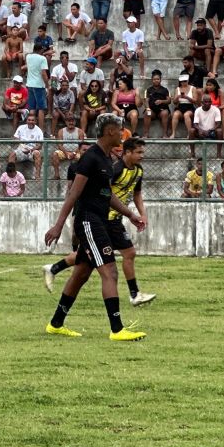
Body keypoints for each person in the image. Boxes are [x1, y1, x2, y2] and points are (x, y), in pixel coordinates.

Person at [42, 113, 148, 342]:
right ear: (110, 131)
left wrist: (131, 214)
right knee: (109, 271)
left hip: (99, 220)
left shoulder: (107, 159)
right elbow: (74, 193)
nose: (123, 134)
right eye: (120, 130)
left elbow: (107, 195)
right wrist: (59, 225)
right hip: (89, 221)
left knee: (81, 272)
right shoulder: (90, 158)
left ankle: (56, 324)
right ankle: (117, 329)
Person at [44, 135, 157, 307]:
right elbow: (102, 191)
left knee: (86, 259)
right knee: (127, 254)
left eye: (143, 152)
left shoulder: (138, 170)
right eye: (138, 152)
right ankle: (134, 295)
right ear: (127, 152)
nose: (142, 155)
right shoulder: (115, 169)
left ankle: (53, 269)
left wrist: (142, 214)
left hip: (114, 218)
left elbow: (137, 194)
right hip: (105, 219)